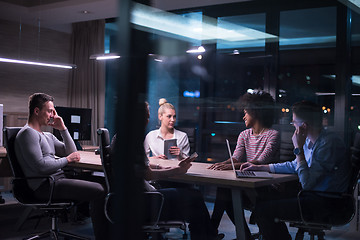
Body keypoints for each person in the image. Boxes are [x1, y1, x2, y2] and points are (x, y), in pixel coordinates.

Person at [240, 100, 351, 240]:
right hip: (314, 197)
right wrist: (261, 167)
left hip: (327, 203)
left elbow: (307, 183)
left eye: (293, 122)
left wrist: (298, 149)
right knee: (264, 200)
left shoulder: (328, 143)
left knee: (263, 210)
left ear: (304, 126)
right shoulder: (311, 140)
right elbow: (295, 165)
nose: (292, 125)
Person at [112, 101, 223, 240]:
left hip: (136, 196)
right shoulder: (135, 140)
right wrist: (176, 171)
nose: (147, 121)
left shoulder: (122, 137)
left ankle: (208, 236)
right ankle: (206, 237)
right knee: (195, 197)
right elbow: (147, 174)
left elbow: (143, 167)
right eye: (146, 117)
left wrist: (164, 167)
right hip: (146, 200)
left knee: (192, 195)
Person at [15, 93, 108, 239]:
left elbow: (72, 152)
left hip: (58, 179)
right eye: (49, 111)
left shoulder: (47, 135)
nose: (52, 115)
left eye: (53, 111)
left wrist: (62, 128)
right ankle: (103, 236)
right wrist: (67, 160)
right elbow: (41, 167)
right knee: (99, 190)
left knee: (104, 182)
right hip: (46, 186)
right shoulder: (28, 134)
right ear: (36, 111)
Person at [208, 90, 280, 239]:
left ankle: (212, 231)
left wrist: (232, 166)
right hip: (246, 185)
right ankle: (223, 233)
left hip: (264, 187)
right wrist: (224, 163)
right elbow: (235, 158)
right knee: (225, 193)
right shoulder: (244, 134)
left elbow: (260, 161)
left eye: (246, 112)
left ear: (256, 112)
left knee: (225, 193)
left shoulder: (272, 134)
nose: (243, 116)